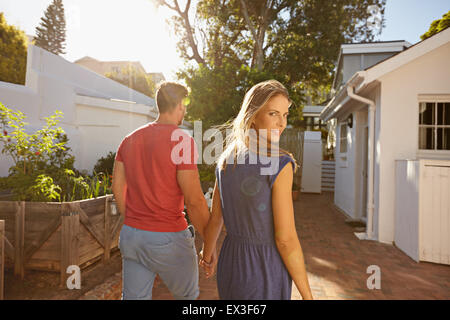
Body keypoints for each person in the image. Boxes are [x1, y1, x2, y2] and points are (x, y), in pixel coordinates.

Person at [199, 79, 313, 300]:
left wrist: (208, 253)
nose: (281, 123)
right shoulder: (280, 164)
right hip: (264, 268)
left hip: (231, 263)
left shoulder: (226, 159)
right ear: (253, 116)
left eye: (285, 114)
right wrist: (308, 296)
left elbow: (216, 219)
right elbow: (285, 239)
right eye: (273, 114)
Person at [112, 81, 213, 300]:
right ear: (179, 105)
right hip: (168, 237)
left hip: (132, 236)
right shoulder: (182, 142)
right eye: (184, 105)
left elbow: (117, 186)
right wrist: (208, 241)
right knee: (188, 298)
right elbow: (194, 200)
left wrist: (132, 220)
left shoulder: (129, 140)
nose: (184, 110)